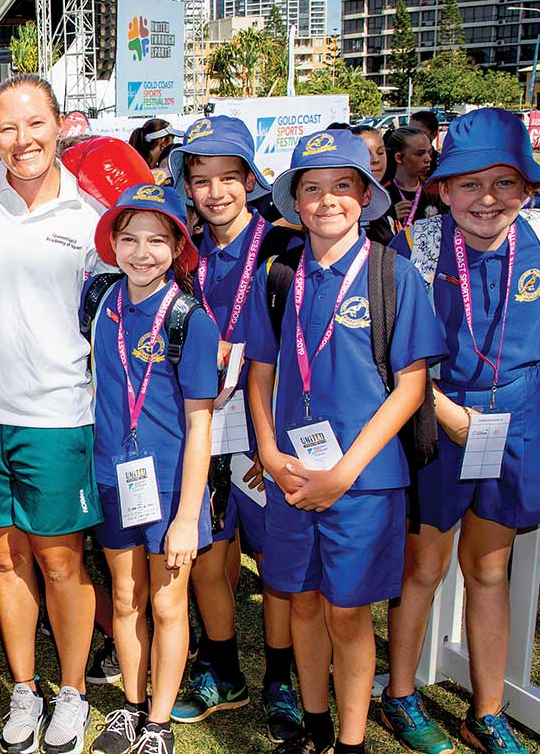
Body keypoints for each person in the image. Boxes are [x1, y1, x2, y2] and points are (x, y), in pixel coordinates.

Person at [382, 108, 540, 754]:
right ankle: (400, 694)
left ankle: (486, 712)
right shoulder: (416, 248)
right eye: (469, 183)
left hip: (518, 416)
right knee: (424, 564)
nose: (487, 198)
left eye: (504, 182)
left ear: (527, 186)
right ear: (442, 189)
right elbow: (392, 354)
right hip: (438, 413)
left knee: (490, 568)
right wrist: (448, 415)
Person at [241, 130, 446, 754]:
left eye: (342, 186)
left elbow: (411, 387)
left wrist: (345, 472)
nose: (327, 200)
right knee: (302, 603)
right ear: (295, 203)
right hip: (292, 474)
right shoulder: (279, 276)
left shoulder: (394, 274)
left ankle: (352, 742)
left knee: (348, 613)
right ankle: (315, 726)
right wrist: (269, 452)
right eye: (312, 188)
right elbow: (260, 373)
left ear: (364, 196)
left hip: (365, 482)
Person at [0, 73, 108, 754]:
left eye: (35, 124)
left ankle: (73, 692)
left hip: (57, 412)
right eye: (7, 127)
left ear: (60, 125)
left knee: (61, 564)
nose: (22, 139)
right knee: (3, 560)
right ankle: (26, 689)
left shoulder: (91, 212)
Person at [166, 115, 303, 743]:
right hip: (207, 430)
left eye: (228, 177)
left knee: (275, 564)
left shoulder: (285, 249)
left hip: (270, 431)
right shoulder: (184, 254)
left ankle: (280, 677)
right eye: (202, 179)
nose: (215, 191)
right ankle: (223, 670)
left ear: (250, 179)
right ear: (188, 187)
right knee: (206, 556)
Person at [82, 184, 218, 754]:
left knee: (166, 603)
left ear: (178, 247)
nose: (142, 253)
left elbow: (200, 425)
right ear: (112, 243)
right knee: (124, 598)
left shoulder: (190, 320)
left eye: (157, 241)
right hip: (112, 479)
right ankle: (132, 708)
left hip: (169, 486)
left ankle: (159, 726)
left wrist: (187, 517)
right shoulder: (99, 300)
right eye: (130, 239)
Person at [382, 127, 445, 232]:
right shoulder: (383, 194)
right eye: (420, 154)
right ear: (398, 157)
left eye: (429, 152)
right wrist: (389, 217)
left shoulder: (435, 191)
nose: (428, 159)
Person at [351, 126, 396, 246]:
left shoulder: (387, 197)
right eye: (366, 153)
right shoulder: (344, 204)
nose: (376, 160)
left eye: (380, 152)